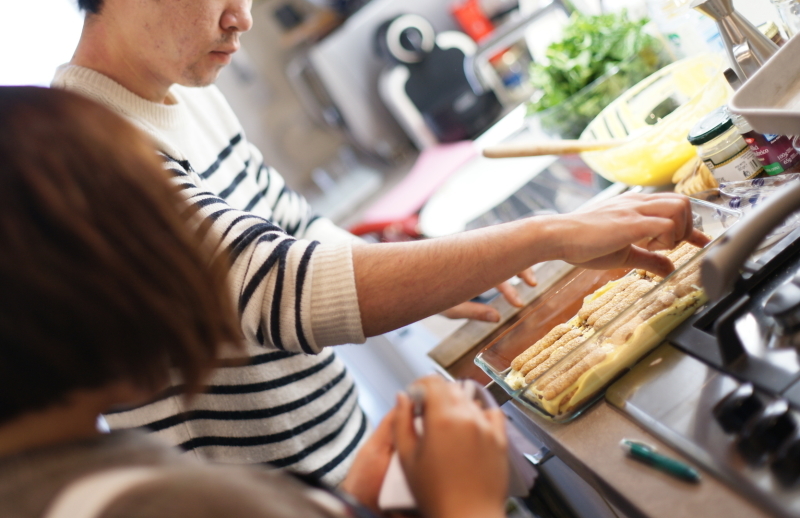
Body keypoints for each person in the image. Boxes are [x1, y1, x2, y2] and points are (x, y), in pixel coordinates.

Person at [54, 0, 708, 484]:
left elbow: (294, 223)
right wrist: (545, 236)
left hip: (345, 461)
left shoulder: (182, 90)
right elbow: (287, 289)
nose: (242, 17)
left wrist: (432, 279)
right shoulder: (83, 151)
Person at [0, 85, 509, 518]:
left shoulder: (61, 471)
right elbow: (283, 287)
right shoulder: (143, 500)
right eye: (156, 248)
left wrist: (348, 502)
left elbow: (298, 226)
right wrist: (466, 498)